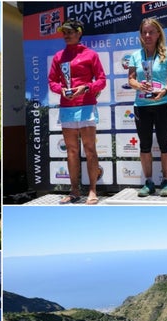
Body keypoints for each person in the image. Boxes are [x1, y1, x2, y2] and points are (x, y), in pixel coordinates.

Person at [48, 19, 107, 205]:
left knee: (90, 150)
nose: (66, 35)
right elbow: (52, 82)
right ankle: (74, 191)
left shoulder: (91, 55)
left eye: (70, 32)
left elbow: (102, 80)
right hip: (67, 108)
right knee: (72, 152)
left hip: (87, 107)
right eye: (64, 32)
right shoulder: (59, 56)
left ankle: (92, 190)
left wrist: (86, 88)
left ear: (79, 33)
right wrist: (61, 90)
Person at [128, 18, 167, 197]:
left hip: (162, 104)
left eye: (151, 32)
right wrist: (139, 86)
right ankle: (148, 182)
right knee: (145, 145)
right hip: (141, 105)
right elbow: (131, 79)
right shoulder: (135, 55)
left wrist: (164, 90)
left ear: (158, 34)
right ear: (141, 35)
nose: (147, 35)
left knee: (165, 142)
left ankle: (166, 181)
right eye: (144, 32)